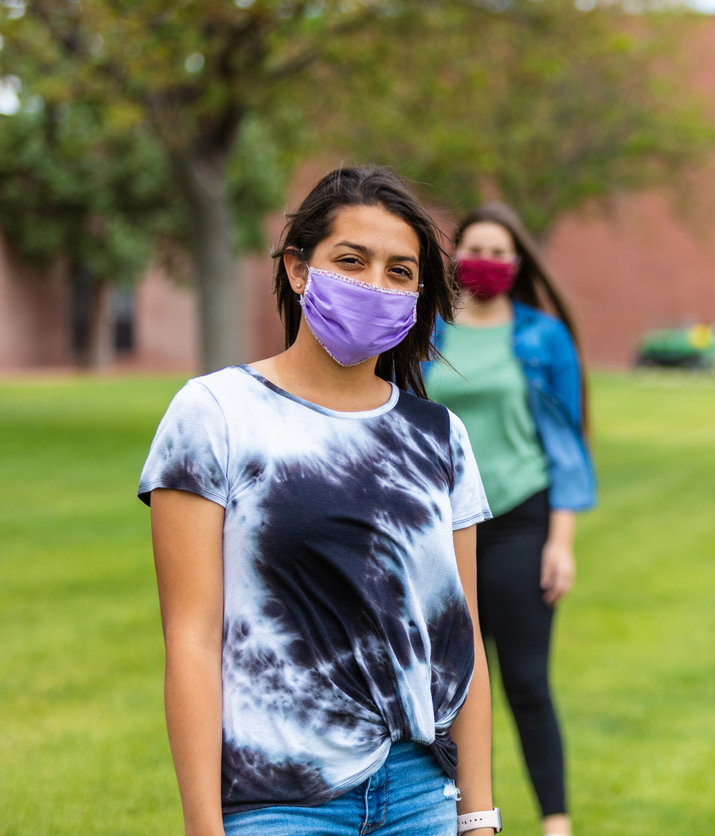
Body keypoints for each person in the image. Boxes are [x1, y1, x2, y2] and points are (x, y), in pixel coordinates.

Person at [139, 166, 503, 836]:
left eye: (400, 271)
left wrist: (478, 816)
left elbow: (462, 635)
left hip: (421, 795)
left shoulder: (439, 437)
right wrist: (202, 828)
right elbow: (191, 639)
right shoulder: (215, 413)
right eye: (351, 260)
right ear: (299, 270)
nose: (375, 284)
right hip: (277, 799)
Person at [424, 202, 596, 836]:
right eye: (476, 249)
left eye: (500, 253)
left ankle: (555, 821)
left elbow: (568, 441)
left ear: (516, 262)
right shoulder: (429, 331)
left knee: (524, 680)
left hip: (522, 520)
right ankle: (457, 814)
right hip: (440, 528)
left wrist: (562, 540)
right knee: (447, 684)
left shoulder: (542, 337)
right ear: (456, 256)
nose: (487, 263)